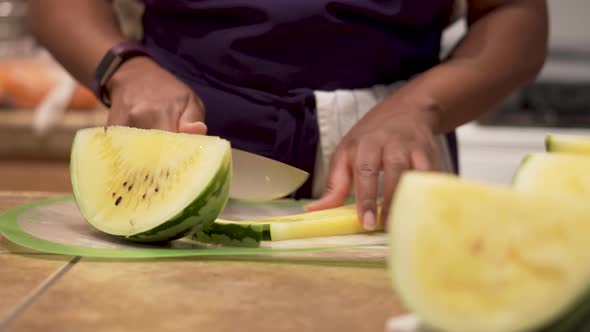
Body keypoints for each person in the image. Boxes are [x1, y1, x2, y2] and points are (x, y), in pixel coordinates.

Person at [28, 0, 548, 231]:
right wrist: (126, 68)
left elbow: (516, 17)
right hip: (188, 141)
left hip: (392, 152)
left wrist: (417, 107)